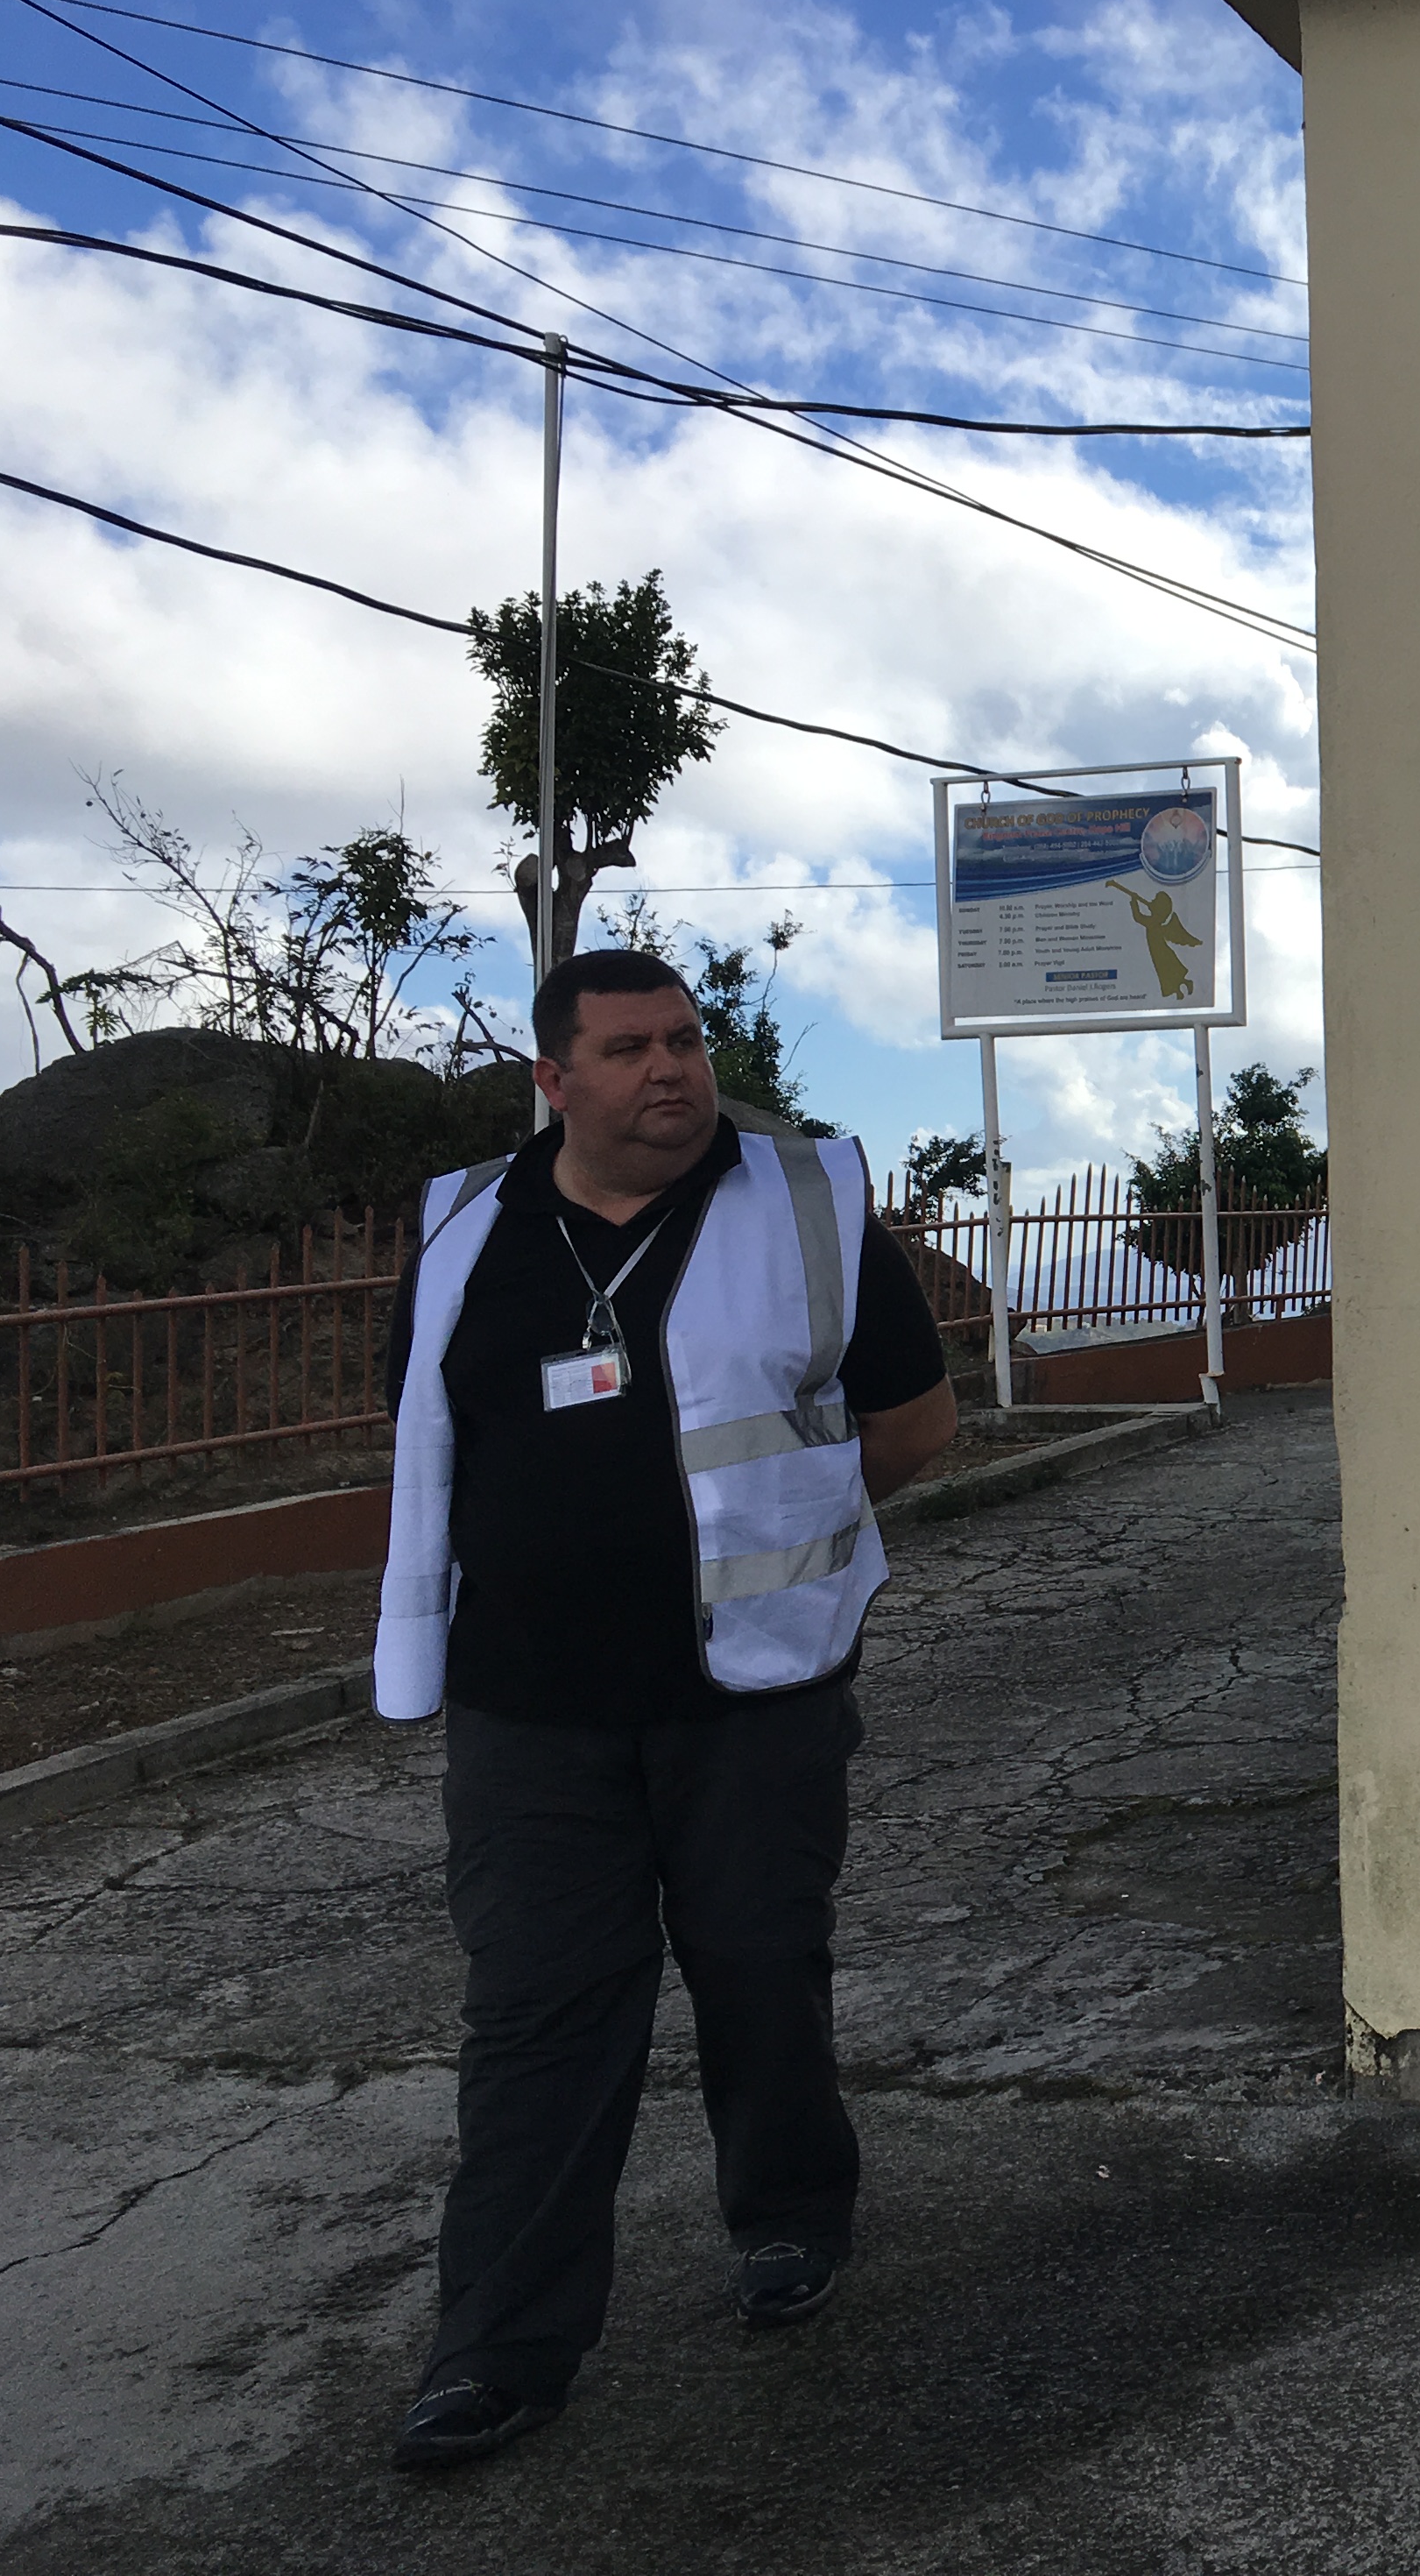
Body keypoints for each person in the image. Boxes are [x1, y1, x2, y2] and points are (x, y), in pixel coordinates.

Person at [376, 947, 957, 2471]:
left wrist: (784, 1548)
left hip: (752, 1688)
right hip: (524, 1709)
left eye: (687, 1038)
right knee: (541, 2018)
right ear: (553, 1078)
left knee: (761, 1967)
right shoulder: (460, 1226)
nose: (672, 1068)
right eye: (629, 1046)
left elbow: (911, 1421)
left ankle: (787, 2216)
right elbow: (441, 1435)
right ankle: (496, 2347)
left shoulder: (810, 1203)